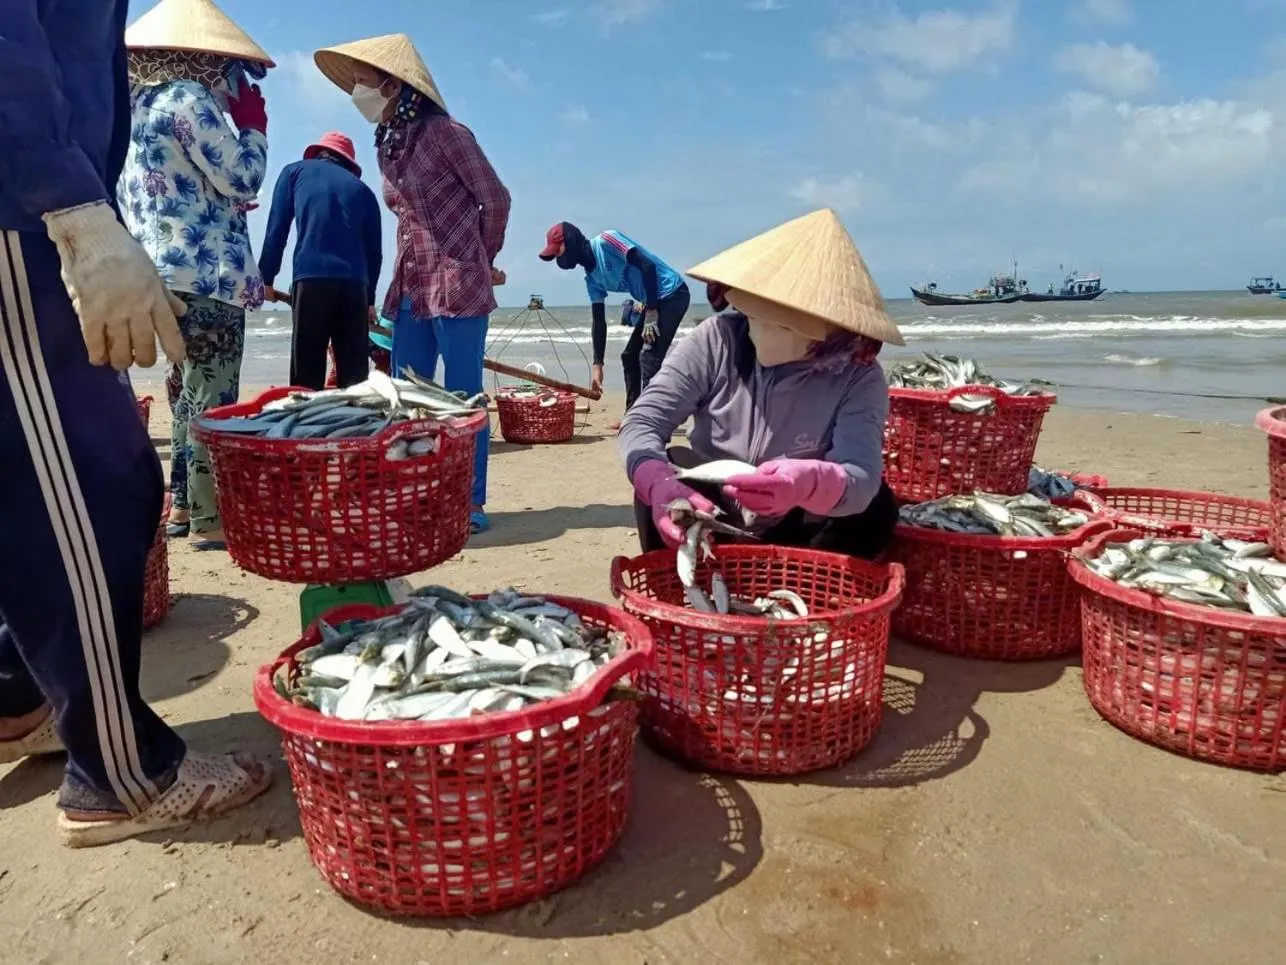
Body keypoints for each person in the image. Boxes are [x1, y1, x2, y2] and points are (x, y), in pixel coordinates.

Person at [0, 0, 271, 847]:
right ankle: (120, 776)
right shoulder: (196, 107)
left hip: (50, 211)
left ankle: (21, 697)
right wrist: (66, 199)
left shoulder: (147, 101)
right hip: (26, 213)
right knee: (86, 486)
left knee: (56, 472)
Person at [617, 208, 905, 557]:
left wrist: (809, 483)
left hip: (799, 524)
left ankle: (809, 594)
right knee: (665, 469)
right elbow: (644, 420)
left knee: (877, 506)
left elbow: (860, 477)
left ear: (834, 332)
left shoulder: (858, 375)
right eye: (755, 315)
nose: (761, 331)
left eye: (786, 325)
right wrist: (654, 480)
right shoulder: (716, 340)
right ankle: (685, 577)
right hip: (711, 508)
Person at [314, 33, 511, 535]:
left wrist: (479, 257)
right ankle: (416, 495)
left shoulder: (448, 134)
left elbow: (495, 198)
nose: (359, 89)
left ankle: (468, 502)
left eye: (364, 80)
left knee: (461, 400)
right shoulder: (387, 145)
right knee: (407, 399)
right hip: (411, 287)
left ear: (395, 85)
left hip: (458, 285)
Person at [117, 0, 272, 549]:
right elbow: (244, 177)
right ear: (205, 59)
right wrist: (254, 131)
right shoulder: (190, 98)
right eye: (232, 71)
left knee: (187, 392)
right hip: (209, 277)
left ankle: (182, 506)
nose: (237, 84)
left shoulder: (134, 109)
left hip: (158, 275)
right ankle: (209, 516)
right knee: (213, 395)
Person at [259, 131, 383, 390]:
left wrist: (266, 278)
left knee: (306, 373)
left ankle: (306, 427)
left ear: (317, 153)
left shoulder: (294, 173)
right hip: (355, 287)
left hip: (312, 279)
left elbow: (277, 228)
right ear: (349, 163)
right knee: (354, 379)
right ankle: (354, 427)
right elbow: (375, 253)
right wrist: (369, 300)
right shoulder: (365, 192)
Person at [539, 223, 690, 410]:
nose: (558, 258)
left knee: (649, 358)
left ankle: (650, 420)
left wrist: (651, 311)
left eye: (557, 251)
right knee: (630, 356)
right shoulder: (592, 279)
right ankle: (633, 414)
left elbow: (648, 266)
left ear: (570, 241)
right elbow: (599, 321)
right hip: (654, 302)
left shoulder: (606, 241)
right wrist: (598, 367)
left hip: (671, 293)